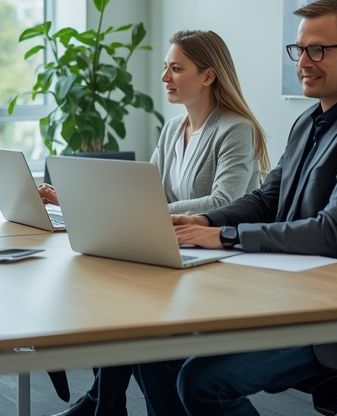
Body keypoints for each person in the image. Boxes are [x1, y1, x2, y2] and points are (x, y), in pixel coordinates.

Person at [135, 0, 337, 416]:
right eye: (299, 50)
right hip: (298, 296)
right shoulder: (309, 121)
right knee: (151, 343)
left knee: (202, 382)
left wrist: (224, 235)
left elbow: (330, 233)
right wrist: (204, 219)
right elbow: (266, 199)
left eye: (318, 50)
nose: (303, 62)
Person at [45, 30, 270, 416]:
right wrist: (85, 201)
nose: (165, 77)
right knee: (117, 302)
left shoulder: (235, 129)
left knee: (131, 313)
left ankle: (102, 404)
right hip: (178, 254)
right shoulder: (172, 130)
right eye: (166, 67)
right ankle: (105, 403)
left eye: (176, 68)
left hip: (223, 261)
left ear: (208, 76)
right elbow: (145, 193)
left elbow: (224, 201)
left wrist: (137, 212)